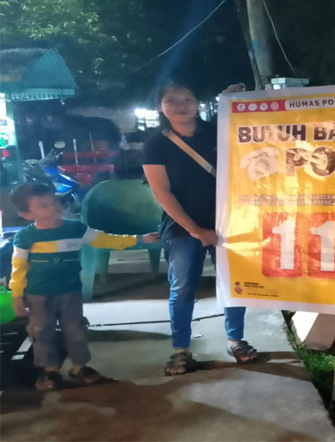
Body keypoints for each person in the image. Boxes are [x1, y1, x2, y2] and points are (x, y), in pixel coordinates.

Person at [143, 81, 258, 376]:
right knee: (182, 289)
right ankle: (181, 350)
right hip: (182, 228)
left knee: (234, 285)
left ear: (197, 104)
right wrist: (195, 229)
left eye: (187, 98)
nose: (181, 105)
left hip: (228, 223)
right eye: (172, 100)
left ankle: (236, 341)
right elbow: (162, 192)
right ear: (160, 107)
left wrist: (234, 104)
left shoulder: (218, 131)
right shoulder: (156, 143)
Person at [8, 182, 159, 390]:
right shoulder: (25, 237)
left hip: (70, 292)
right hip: (38, 295)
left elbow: (106, 240)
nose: (53, 207)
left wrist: (139, 239)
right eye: (44, 205)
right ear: (26, 214)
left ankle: (80, 367)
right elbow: (18, 267)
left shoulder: (76, 228)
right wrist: (17, 295)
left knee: (75, 329)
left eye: (54, 201)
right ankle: (49, 370)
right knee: (41, 332)